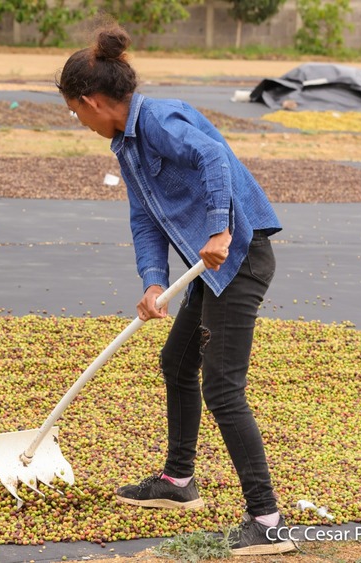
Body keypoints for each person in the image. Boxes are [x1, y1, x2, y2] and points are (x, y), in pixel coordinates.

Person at [56, 26, 295, 556]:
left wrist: (217, 227)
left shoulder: (161, 119)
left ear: (92, 101)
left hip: (239, 258)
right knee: (176, 362)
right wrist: (154, 281)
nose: (80, 121)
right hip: (207, 269)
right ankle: (178, 483)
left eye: (76, 112)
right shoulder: (127, 145)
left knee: (223, 388)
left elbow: (213, 158)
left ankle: (268, 520)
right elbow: (145, 218)